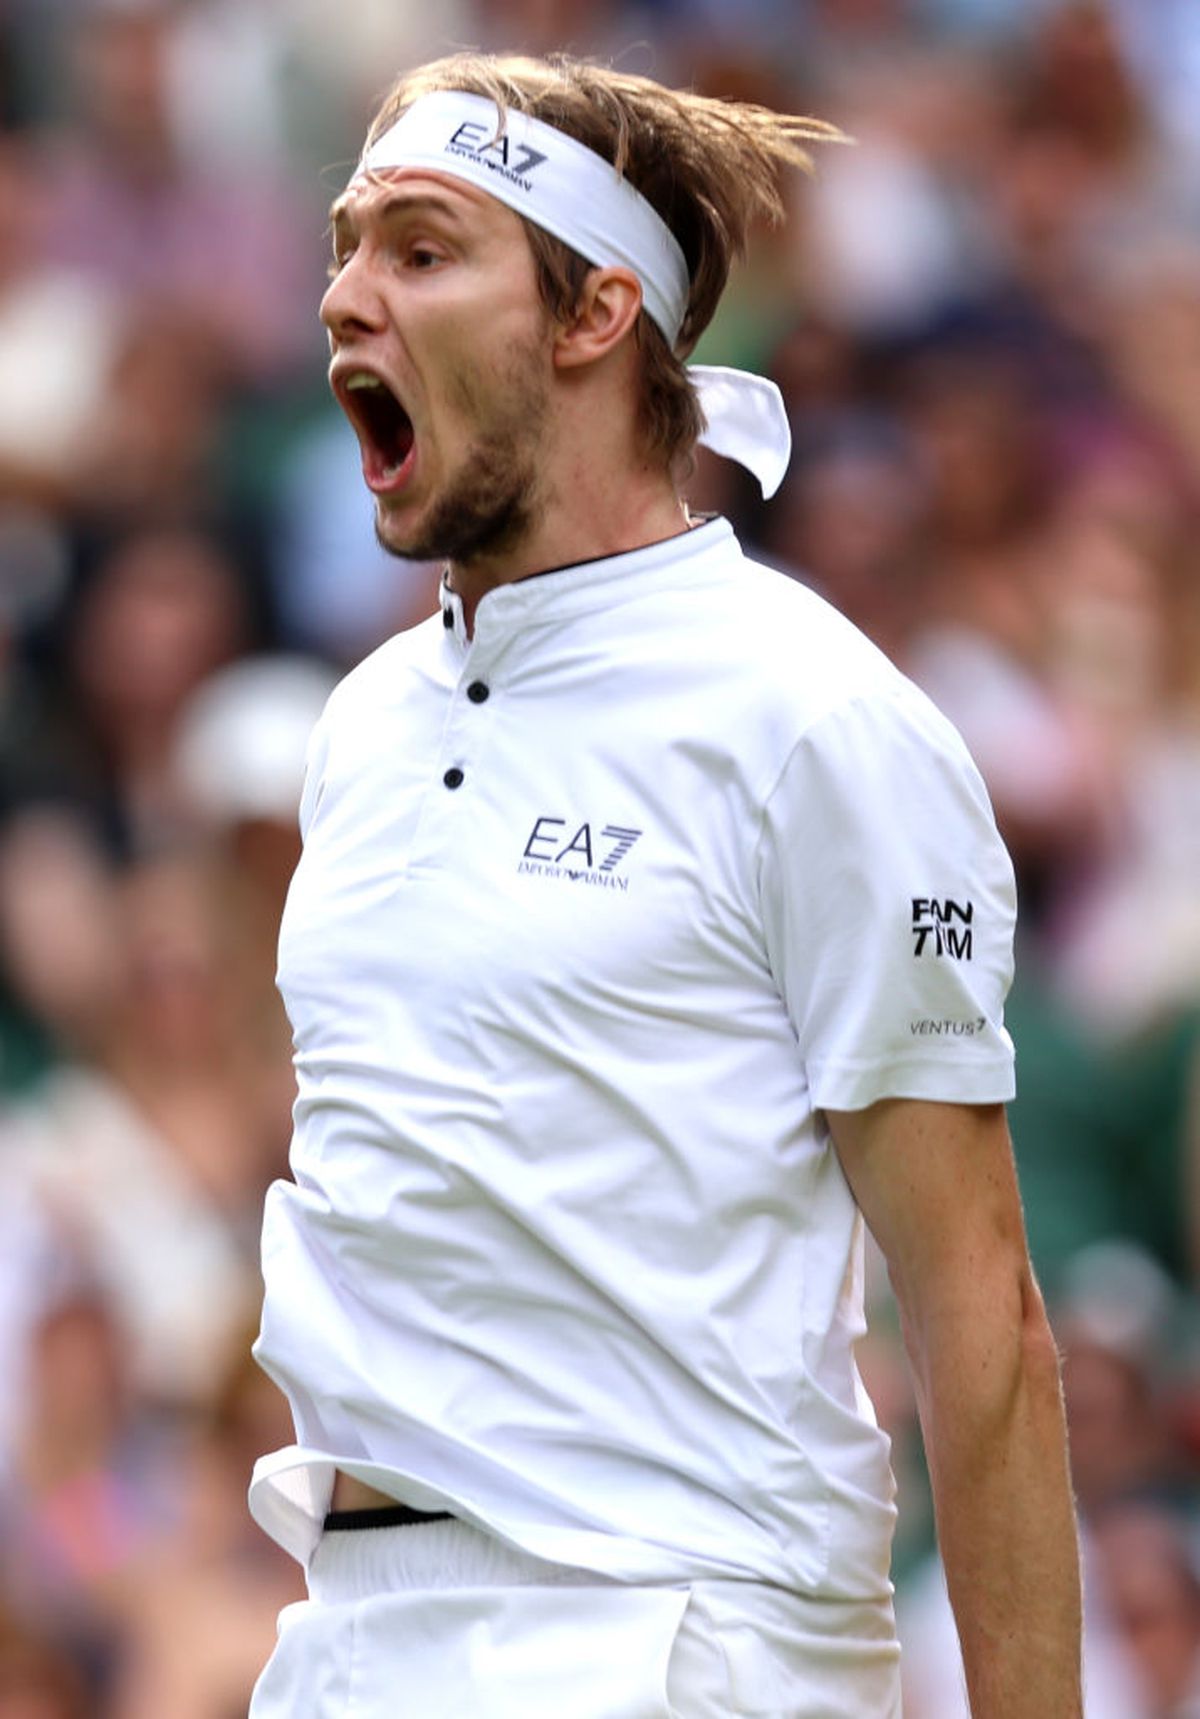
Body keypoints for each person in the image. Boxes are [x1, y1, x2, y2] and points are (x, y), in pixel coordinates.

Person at [247, 51, 1082, 1718]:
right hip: (346, 1643)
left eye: (419, 250)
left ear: (593, 313)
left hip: (681, 1648)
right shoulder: (360, 727)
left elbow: (983, 1327)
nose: (343, 296)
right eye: (347, 247)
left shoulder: (814, 722)